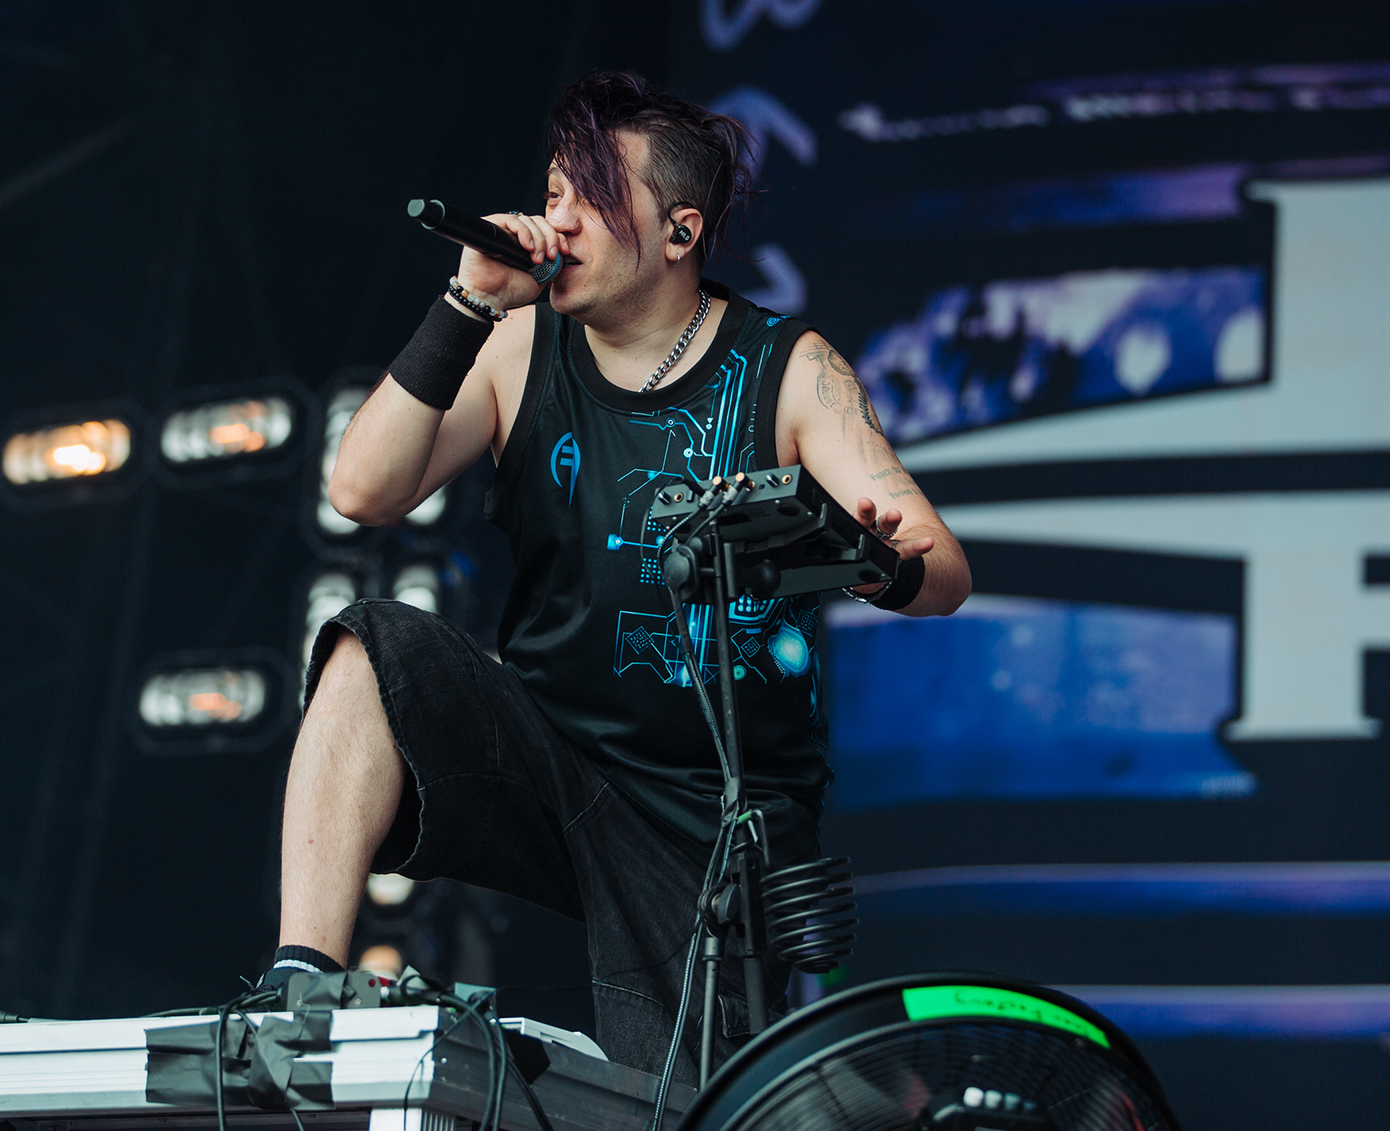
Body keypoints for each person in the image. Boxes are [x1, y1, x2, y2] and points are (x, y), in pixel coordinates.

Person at [265, 72, 970, 1079]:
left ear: (679, 232)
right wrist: (467, 301)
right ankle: (297, 991)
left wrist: (872, 559)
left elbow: (943, 570)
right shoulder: (516, 346)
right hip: (549, 754)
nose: (556, 220)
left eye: (590, 196)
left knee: (703, 1102)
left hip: (709, 823)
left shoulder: (788, 369)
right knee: (372, 648)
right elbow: (361, 490)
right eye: (552, 192)